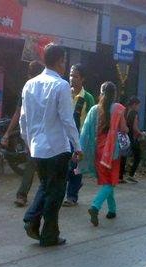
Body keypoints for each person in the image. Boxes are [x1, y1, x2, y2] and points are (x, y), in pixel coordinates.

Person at [20, 44, 81, 247]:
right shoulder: (61, 85)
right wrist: (77, 145)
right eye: (64, 61)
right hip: (57, 148)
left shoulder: (29, 85)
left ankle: (33, 221)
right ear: (59, 61)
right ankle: (47, 233)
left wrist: (28, 142)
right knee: (55, 193)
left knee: (46, 186)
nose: (65, 65)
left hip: (37, 147)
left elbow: (23, 119)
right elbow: (67, 119)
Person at [79, 81, 128, 226]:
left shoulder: (94, 109)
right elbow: (123, 128)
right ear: (115, 94)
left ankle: (112, 210)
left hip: (98, 151)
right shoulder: (118, 109)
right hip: (113, 152)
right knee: (111, 182)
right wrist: (125, 130)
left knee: (107, 181)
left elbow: (85, 131)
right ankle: (95, 206)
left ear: (101, 94)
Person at [2, 60, 44, 207]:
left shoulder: (28, 89)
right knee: (35, 164)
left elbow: (18, 113)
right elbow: (19, 113)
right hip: (40, 134)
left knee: (34, 165)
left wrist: (8, 133)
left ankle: (24, 195)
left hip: (35, 134)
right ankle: (26, 195)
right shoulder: (36, 89)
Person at [62, 64, 96, 207]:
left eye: (75, 76)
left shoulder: (87, 98)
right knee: (64, 167)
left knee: (75, 168)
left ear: (82, 79)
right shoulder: (64, 93)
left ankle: (72, 196)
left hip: (79, 138)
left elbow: (92, 120)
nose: (72, 79)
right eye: (71, 75)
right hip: (63, 137)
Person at [119, 96, 143, 184]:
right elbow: (135, 128)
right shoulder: (134, 113)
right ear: (134, 104)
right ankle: (131, 175)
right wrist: (141, 133)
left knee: (123, 156)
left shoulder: (124, 111)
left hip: (123, 136)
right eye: (138, 106)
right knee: (138, 155)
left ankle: (120, 176)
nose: (138, 108)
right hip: (131, 137)